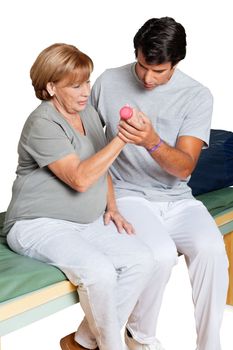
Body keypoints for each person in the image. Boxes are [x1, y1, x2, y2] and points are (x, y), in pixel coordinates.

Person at [3, 43, 161, 350]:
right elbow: (79, 178)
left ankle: (83, 341)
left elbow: (101, 165)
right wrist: (122, 140)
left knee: (142, 259)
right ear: (50, 87)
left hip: (84, 223)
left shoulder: (87, 114)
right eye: (75, 85)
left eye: (87, 82)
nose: (85, 91)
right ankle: (110, 346)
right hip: (37, 225)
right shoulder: (42, 123)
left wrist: (112, 207)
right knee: (100, 272)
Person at [91, 17, 229, 350]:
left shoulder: (196, 95)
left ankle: (210, 345)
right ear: (135, 53)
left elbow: (185, 168)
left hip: (177, 198)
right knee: (161, 254)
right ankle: (140, 336)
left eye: (160, 71)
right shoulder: (108, 82)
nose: (148, 79)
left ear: (176, 63)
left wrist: (152, 141)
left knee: (212, 252)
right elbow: (91, 148)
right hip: (127, 195)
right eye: (142, 67)